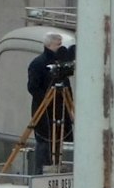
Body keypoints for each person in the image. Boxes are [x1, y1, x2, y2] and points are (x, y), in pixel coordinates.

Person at [25, 34, 77, 169]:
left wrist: (69, 103)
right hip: (45, 112)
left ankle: (62, 168)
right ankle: (42, 172)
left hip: (62, 109)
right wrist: (47, 99)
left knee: (64, 141)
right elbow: (33, 87)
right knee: (44, 142)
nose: (61, 48)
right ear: (48, 45)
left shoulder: (61, 63)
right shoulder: (38, 63)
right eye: (58, 45)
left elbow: (66, 84)